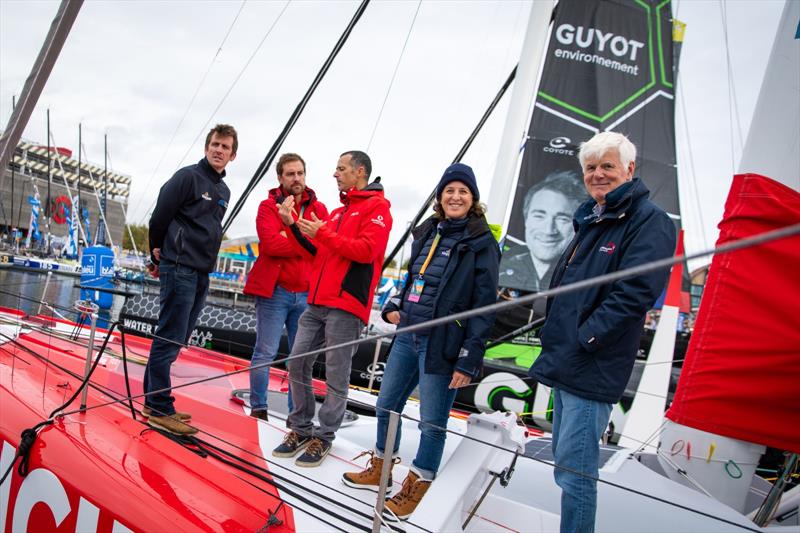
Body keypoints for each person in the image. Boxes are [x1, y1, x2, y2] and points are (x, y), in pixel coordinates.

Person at [529, 132, 676, 533]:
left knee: (575, 473)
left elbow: (636, 293)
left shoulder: (651, 222)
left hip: (591, 365)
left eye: (607, 166)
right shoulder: (591, 218)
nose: (598, 174)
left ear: (629, 169)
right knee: (565, 465)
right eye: (591, 167)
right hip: (566, 359)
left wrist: (585, 339)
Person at [341, 163, 500, 521]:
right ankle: (381, 467)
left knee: (432, 421)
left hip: (444, 343)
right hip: (407, 335)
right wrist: (394, 306)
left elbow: (486, 305)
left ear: (472, 198)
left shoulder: (481, 242)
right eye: (449, 191)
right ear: (439, 198)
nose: (455, 197)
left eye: (462, 191)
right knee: (386, 403)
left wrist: (469, 358)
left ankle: (421, 482)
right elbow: (413, 279)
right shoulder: (427, 232)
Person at [272, 150, 392, 467]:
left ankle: (323, 437)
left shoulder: (378, 208)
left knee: (337, 376)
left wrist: (323, 232)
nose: (335, 174)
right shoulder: (339, 213)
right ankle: (299, 428)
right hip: (317, 301)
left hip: (346, 304)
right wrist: (293, 226)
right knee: (296, 362)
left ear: (360, 172)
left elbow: (367, 251)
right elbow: (318, 253)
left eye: (340, 168)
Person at [144, 124, 238, 435]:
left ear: (232, 155)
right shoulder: (188, 177)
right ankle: (158, 407)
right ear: (206, 147)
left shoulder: (223, 191)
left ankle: (153, 401)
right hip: (179, 265)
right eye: (215, 144)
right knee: (169, 335)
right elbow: (160, 216)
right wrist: (156, 254)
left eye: (225, 147)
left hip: (201, 271)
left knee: (180, 336)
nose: (218, 150)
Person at [243, 153, 328, 421]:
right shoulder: (267, 207)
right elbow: (270, 245)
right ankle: (259, 409)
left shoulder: (319, 209)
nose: (296, 179)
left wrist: (288, 233)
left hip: (306, 294)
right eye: (290, 174)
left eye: (300, 173)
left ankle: (297, 415)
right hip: (275, 292)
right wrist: (303, 238)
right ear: (280, 178)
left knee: (300, 358)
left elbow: (321, 249)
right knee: (264, 352)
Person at [499, 171, 586, 292]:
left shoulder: (587, 275)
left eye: (562, 218)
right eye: (539, 216)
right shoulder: (498, 265)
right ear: (526, 219)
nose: (548, 230)